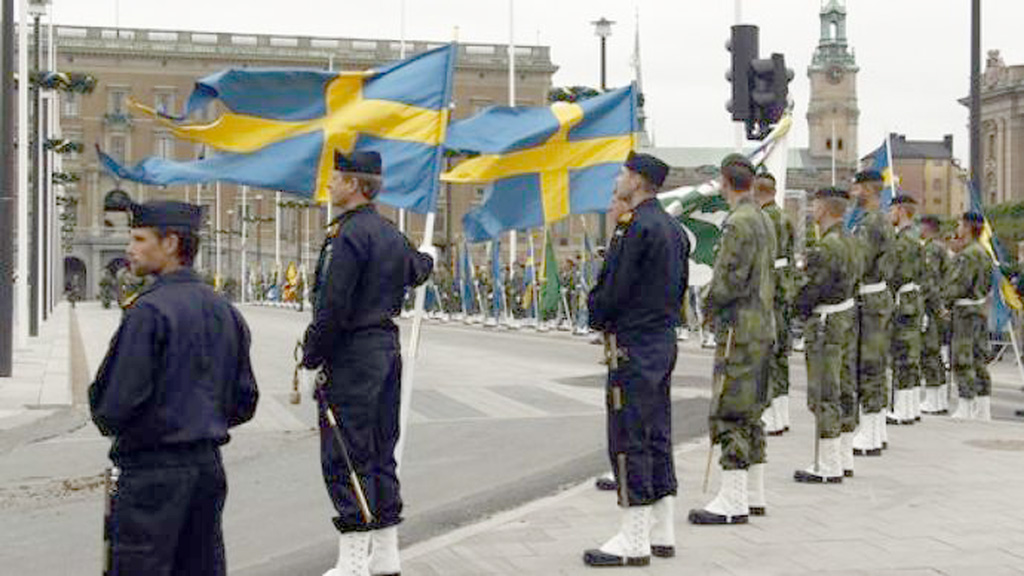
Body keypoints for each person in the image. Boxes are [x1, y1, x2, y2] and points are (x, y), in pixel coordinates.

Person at [89, 200, 259, 576]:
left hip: (152, 471)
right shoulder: (224, 310)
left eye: (138, 238)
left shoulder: (149, 311)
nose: (129, 248)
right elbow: (245, 400)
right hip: (206, 469)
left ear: (170, 244)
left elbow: (114, 406)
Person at [302, 150, 435, 576]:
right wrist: (428, 255)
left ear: (355, 185)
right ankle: (386, 554)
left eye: (336, 178)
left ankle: (354, 560)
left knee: (346, 452)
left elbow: (332, 305)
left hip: (352, 354)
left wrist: (311, 357)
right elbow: (418, 271)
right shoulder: (388, 233)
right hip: (385, 351)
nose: (329, 184)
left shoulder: (346, 236)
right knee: (380, 450)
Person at [583, 152, 689, 567]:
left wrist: (597, 315)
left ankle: (633, 537)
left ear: (639, 181)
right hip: (662, 339)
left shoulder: (636, 227)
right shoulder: (674, 229)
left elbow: (614, 288)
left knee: (630, 437)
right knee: (658, 432)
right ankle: (663, 530)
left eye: (625, 174)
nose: (619, 181)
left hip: (633, 343)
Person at [689, 154, 775, 525]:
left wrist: (705, 306)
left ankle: (733, 499)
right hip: (763, 324)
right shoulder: (763, 219)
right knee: (753, 409)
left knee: (731, 410)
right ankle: (753, 492)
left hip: (738, 327)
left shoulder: (737, 222)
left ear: (725, 182)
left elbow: (727, 279)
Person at [793, 187, 857, 483]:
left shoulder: (826, 247)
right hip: (845, 318)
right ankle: (843, 457)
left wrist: (797, 308)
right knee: (843, 386)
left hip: (826, 322)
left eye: (815, 204)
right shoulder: (852, 241)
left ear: (825, 208)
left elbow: (811, 288)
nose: (812, 210)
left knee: (824, 390)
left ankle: (828, 464)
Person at [848, 170, 895, 457]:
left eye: (856, 186)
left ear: (866, 188)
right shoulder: (884, 219)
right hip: (878, 295)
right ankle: (876, 429)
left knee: (867, 365)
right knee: (876, 365)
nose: (853, 190)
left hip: (868, 296)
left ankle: (869, 431)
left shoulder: (869, 223)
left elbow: (858, 261)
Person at [754, 171, 795, 437]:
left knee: (768, 353)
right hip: (785, 287)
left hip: (770, 288)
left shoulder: (764, 219)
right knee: (781, 355)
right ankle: (782, 413)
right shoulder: (784, 218)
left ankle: (770, 412)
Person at [947, 211, 994, 421]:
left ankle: (965, 405)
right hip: (979, 309)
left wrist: (943, 301)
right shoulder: (983, 252)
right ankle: (983, 408)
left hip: (965, 312)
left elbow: (958, 285)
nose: (957, 229)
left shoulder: (967, 254)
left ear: (966, 227)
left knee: (963, 357)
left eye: (959, 225)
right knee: (978, 358)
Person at [887, 195, 925, 425]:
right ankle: (910, 408)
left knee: (902, 354)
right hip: (913, 297)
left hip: (904, 299)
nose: (889, 213)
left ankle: (902, 409)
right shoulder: (916, 236)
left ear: (900, 211)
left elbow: (895, 273)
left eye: (891, 209)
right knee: (910, 355)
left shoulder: (903, 240)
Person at [919, 215, 952, 414]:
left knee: (929, 352)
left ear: (927, 227)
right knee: (936, 353)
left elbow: (929, 282)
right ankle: (938, 399)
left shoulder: (931, 249)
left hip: (931, 308)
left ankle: (933, 399)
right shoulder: (941, 248)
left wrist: (933, 307)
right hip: (939, 306)